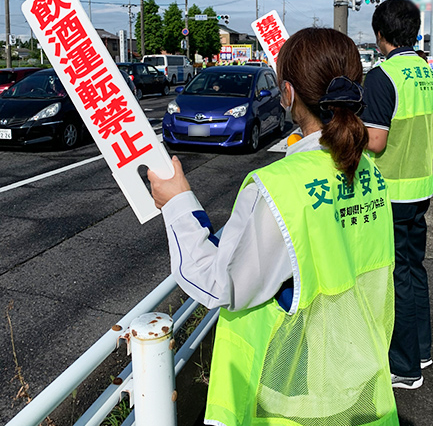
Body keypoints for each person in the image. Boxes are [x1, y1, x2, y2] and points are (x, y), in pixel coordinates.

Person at [148, 28, 399, 426]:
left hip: (294, 401)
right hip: (359, 386)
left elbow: (219, 284)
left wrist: (178, 202)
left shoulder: (281, 187)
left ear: (287, 93)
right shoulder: (369, 170)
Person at [361, 0, 433, 390]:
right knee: (414, 270)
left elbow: (377, 142)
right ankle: (421, 350)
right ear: (414, 32)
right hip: (421, 189)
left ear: (380, 35)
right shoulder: (425, 72)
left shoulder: (383, 77)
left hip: (391, 193)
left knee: (395, 277)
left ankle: (405, 368)